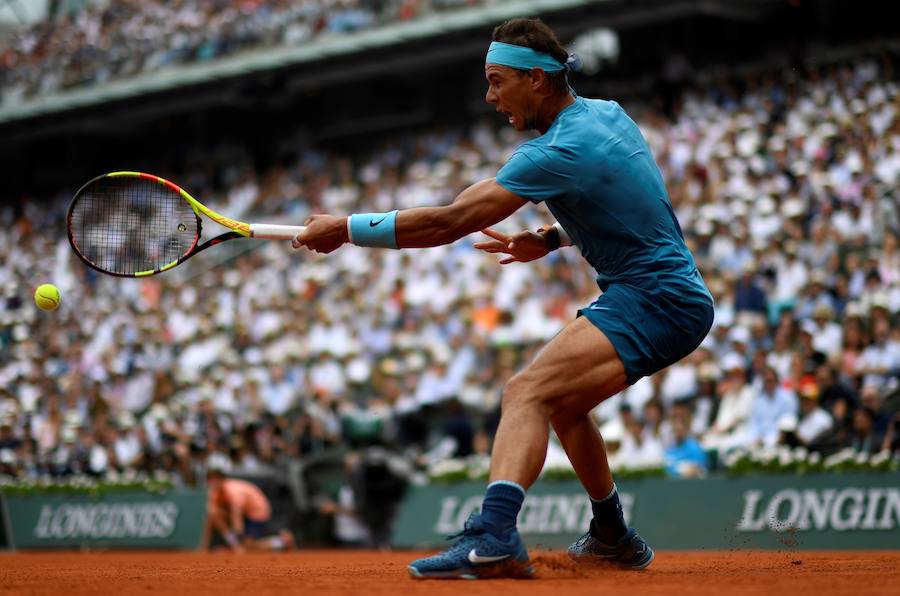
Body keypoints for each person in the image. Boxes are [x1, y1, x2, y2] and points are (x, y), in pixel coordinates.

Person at [292, 17, 713, 579]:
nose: (490, 98)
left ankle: (493, 536)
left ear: (537, 80)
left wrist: (346, 228)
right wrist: (555, 235)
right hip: (666, 292)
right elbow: (636, 201)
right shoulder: (608, 114)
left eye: (497, 81)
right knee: (563, 405)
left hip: (657, 299)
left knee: (527, 393)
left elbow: (450, 222)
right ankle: (612, 534)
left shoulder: (553, 152)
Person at [204, 469, 294, 553]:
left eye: (215, 479)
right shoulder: (214, 492)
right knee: (214, 513)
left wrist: (238, 542)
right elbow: (211, 516)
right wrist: (204, 546)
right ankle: (232, 544)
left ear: (222, 480)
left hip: (257, 512)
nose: (213, 483)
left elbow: (236, 517)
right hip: (245, 514)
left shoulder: (234, 491)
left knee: (248, 546)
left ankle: (282, 542)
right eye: (210, 480)